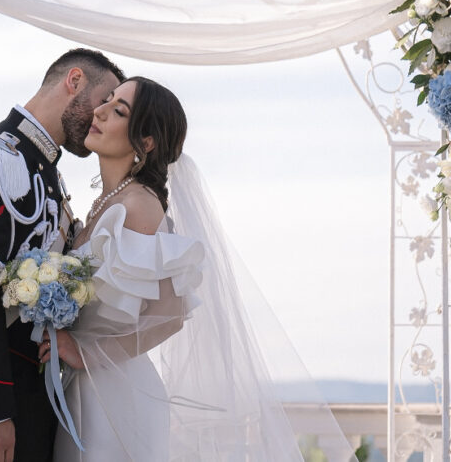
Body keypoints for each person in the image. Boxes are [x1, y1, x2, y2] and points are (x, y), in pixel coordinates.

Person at [39, 76, 353, 461]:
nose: (100, 111)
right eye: (106, 101)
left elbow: (170, 315)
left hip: (112, 395)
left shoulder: (139, 206)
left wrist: (85, 351)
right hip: (87, 386)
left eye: (118, 110)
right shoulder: (104, 203)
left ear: (146, 142)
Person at [0, 48, 125, 462]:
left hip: (28, 394)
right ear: (75, 81)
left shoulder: (44, 170)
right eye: (104, 99)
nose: (102, 115)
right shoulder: (0, 160)